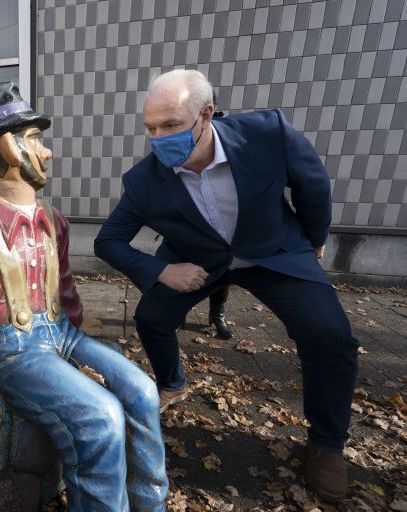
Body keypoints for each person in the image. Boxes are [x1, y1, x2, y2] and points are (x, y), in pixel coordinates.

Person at [94, 69, 358, 503]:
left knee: (330, 335)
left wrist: (314, 241)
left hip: (272, 251)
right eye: (150, 128)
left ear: (206, 114)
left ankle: (327, 444)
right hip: (195, 260)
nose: (158, 138)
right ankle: (173, 382)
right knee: (150, 317)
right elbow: (108, 241)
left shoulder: (267, 134)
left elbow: (312, 185)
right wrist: (162, 272)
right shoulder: (143, 181)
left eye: (171, 126)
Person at [0, 82, 168, 512]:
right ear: (8, 147)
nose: (46, 153)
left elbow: (65, 291)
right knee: (101, 419)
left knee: (142, 392)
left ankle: (149, 503)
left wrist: (78, 349)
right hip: (11, 352)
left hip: (60, 334)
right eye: (35, 141)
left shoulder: (53, 220)